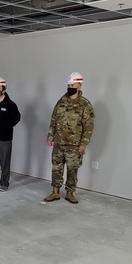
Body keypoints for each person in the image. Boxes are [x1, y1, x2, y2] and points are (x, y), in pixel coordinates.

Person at [44, 71, 94, 204]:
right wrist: (50, 136)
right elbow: (53, 120)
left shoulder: (85, 105)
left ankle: (70, 193)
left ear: (79, 86)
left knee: (72, 170)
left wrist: (83, 144)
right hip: (58, 143)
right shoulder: (61, 102)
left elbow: (88, 126)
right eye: (69, 84)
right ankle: (55, 192)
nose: (70, 87)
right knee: (56, 168)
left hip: (74, 144)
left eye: (73, 85)